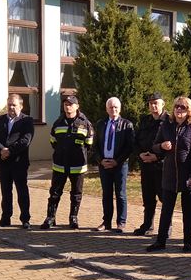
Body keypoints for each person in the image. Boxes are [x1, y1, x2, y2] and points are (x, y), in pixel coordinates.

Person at [146, 96, 191, 252]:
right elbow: (154, 146)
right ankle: (161, 241)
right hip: (170, 174)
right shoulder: (167, 125)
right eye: (177, 106)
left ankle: (187, 242)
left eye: (183, 107)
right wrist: (162, 146)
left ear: (189, 110)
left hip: (188, 175)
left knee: (188, 210)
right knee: (166, 210)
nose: (179, 109)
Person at [40, 95, 93, 230]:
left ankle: (73, 218)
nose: (68, 107)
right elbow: (53, 141)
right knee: (54, 193)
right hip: (60, 164)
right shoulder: (58, 123)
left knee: (76, 194)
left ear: (77, 106)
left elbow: (89, 144)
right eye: (65, 104)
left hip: (77, 166)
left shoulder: (85, 123)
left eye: (70, 104)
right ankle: (50, 218)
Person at [0, 94, 35, 229]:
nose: (11, 107)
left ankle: (25, 219)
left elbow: (26, 140)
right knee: (6, 192)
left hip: (19, 162)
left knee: (22, 191)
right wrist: (1, 150)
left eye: (14, 105)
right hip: (3, 162)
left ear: (21, 106)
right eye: (9, 104)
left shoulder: (27, 120)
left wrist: (9, 151)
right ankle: (5, 218)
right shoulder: (0, 119)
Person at [94, 97, 134, 232]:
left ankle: (121, 222)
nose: (113, 109)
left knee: (120, 194)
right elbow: (95, 146)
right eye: (111, 107)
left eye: (116, 107)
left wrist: (117, 161)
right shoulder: (101, 124)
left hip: (120, 165)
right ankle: (106, 222)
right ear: (107, 109)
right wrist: (101, 160)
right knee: (106, 194)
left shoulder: (127, 125)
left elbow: (129, 147)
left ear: (120, 108)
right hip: (104, 164)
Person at [133, 92, 168, 235]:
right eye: (151, 103)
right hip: (146, 166)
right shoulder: (145, 121)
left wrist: (157, 157)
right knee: (148, 198)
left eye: (156, 103)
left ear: (163, 104)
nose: (153, 106)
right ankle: (147, 225)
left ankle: (166, 228)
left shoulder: (169, 121)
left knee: (165, 198)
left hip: (162, 167)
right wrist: (140, 154)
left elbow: (171, 145)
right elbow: (136, 141)